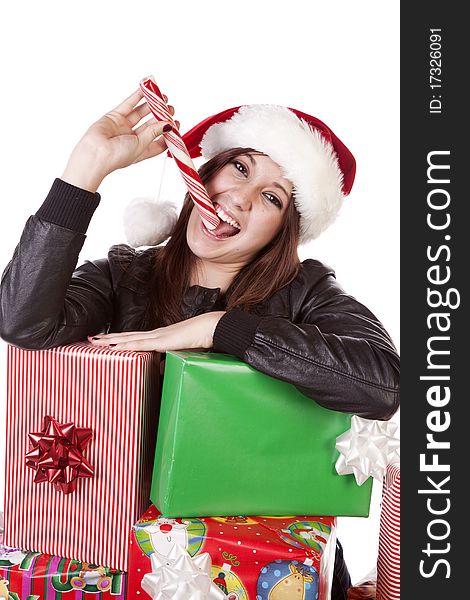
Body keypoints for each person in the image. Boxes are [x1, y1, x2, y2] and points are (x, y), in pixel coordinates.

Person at [0, 87, 399, 599]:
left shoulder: (307, 292)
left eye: (273, 197)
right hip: (124, 555)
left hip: (266, 569)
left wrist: (221, 328)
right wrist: (84, 172)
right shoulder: (125, 275)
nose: (242, 197)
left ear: (283, 231)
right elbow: (22, 322)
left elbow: (384, 384)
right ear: (204, 174)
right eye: (239, 169)